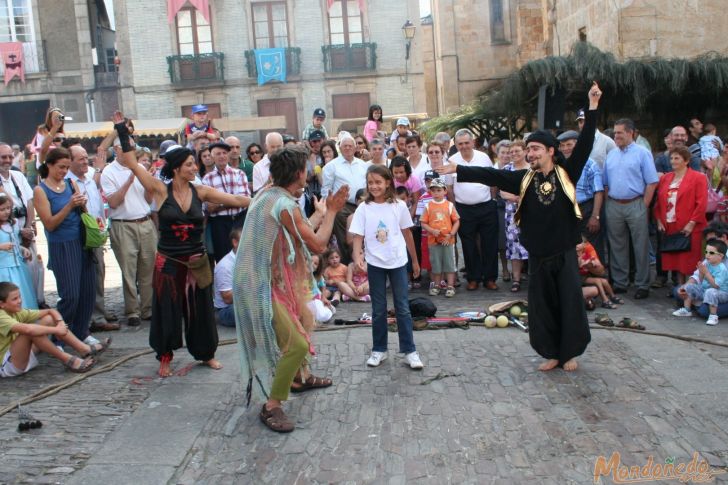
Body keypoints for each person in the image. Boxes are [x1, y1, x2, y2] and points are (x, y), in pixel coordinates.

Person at [437, 82, 603, 371]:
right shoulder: (524, 179)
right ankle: (552, 352)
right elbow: (491, 174)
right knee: (542, 308)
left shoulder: (567, 173)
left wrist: (592, 107)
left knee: (569, 304)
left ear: (551, 151)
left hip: (563, 253)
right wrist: (459, 169)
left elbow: (586, 141)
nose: (531, 154)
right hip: (538, 256)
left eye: (536, 149)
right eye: (529, 150)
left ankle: (570, 353)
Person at [112, 112, 251, 378]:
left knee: (201, 311)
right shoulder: (159, 189)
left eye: (194, 164)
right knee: (167, 311)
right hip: (169, 263)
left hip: (197, 262)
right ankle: (165, 355)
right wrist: (121, 129)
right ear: (176, 168)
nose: (195, 168)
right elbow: (131, 162)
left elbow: (236, 199)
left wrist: (261, 199)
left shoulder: (201, 192)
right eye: (190, 165)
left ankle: (206, 353)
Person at [234, 146, 348, 433]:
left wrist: (320, 215)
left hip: (274, 281)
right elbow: (318, 246)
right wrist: (332, 211)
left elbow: (301, 232)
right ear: (299, 174)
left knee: (305, 320)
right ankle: (271, 405)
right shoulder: (284, 204)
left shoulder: (267, 194)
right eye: (306, 169)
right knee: (296, 344)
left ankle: (301, 376)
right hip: (261, 286)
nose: (308, 174)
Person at [350, 164, 423, 370]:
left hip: (398, 261)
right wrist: (358, 257)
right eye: (370, 183)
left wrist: (415, 261)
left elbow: (408, 234)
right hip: (374, 263)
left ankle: (410, 350)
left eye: (378, 182)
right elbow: (358, 236)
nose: (374, 186)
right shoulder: (363, 208)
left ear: (388, 182)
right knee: (378, 309)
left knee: (402, 308)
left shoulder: (398, 206)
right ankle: (379, 349)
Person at [34, 148, 97, 343]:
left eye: (67, 167)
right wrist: (69, 205)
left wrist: (81, 204)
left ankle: (81, 332)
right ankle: (59, 337)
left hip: (81, 240)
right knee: (70, 294)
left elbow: (83, 212)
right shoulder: (41, 190)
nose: (64, 171)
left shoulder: (70, 183)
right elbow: (50, 224)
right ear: (49, 165)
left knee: (88, 291)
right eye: (61, 167)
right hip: (62, 244)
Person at [101, 140, 157, 327]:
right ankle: (133, 311)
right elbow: (114, 202)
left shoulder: (140, 167)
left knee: (148, 268)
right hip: (123, 224)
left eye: (134, 149)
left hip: (145, 222)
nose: (132, 152)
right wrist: (130, 180)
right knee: (128, 270)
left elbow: (148, 199)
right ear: (117, 150)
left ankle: (148, 309)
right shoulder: (109, 172)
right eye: (129, 148)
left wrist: (150, 184)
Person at [0, 282, 110, 376]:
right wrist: (57, 330)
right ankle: (67, 360)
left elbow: (50, 311)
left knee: (48, 319)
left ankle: (84, 349)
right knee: (31, 331)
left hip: (18, 353)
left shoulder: (16, 311)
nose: (19, 301)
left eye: (19, 297)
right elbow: (28, 330)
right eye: (15, 299)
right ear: (2, 304)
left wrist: (60, 323)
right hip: (6, 365)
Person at [603, 118, 659, 299]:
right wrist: (607, 204)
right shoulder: (611, 154)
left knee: (640, 245)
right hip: (613, 204)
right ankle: (620, 283)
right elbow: (605, 183)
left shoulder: (643, 153)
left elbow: (651, 182)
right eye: (615, 132)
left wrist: (644, 205)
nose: (615, 136)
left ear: (630, 133)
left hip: (636, 203)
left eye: (619, 132)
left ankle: (643, 284)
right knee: (617, 244)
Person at [67, 145, 119, 332]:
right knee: (84, 277)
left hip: (95, 234)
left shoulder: (88, 179)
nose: (84, 161)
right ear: (69, 160)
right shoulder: (67, 182)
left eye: (85, 157)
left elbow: (95, 185)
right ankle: (87, 318)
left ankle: (98, 313)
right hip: (79, 236)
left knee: (98, 274)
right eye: (80, 158)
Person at [450, 128, 499, 291]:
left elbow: (493, 180)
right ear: (456, 145)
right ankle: (473, 278)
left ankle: (490, 278)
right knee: (468, 245)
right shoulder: (452, 160)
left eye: (466, 142)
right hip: (464, 209)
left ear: (472, 142)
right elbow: (449, 188)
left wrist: (492, 200)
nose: (464, 146)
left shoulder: (483, 157)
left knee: (490, 244)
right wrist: (455, 209)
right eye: (460, 143)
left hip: (486, 206)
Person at [653, 146, 708, 284]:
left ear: (686, 160)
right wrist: (659, 219)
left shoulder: (698, 178)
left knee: (689, 261)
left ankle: (691, 291)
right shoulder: (665, 178)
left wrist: (692, 223)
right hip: (670, 225)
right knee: (676, 261)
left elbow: (701, 203)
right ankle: (680, 290)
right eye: (671, 158)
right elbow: (658, 202)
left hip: (690, 226)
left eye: (677, 158)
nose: (673, 161)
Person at [558, 130, 606, 264]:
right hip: (567, 211)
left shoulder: (590, 164)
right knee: (571, 247)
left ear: (577, 145)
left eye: (569, 144)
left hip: (586, 209)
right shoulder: (558, 166)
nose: (565, 148)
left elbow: (598, 191)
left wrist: (595, 216)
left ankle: (598, 278)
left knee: (592, 246)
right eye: (562, 145)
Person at [321, 134, 368, 264]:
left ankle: (364, 267)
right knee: (345, 239)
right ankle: (348, 266)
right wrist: (328, 208)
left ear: (354, 148)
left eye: (350, 146)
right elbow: (326, 189)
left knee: (364, 236)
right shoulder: (331, 166)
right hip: (342, 207)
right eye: (344, 146)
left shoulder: (363, 165)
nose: (347, 148)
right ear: (340, 149)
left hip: (362, 204)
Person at [202, 141, 250, 262]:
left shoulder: (240, 174)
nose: (222, 156)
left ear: (228, 155)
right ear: (212, 157)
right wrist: (234, 199)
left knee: (245, 256)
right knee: (223, 258)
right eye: (218, 153)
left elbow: (245, 201)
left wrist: (219, 202)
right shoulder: (207, 179)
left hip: (240, 220)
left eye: (224, 153)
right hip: (219, 224)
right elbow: (209, 207)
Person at [674, 239, 728, 326]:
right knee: (688, 287)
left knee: (711, 292)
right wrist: (701, 272)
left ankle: (713, 316)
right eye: (706, 252)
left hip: (721, 293)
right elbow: (701, 280)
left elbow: (716, 285)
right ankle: (687, 310)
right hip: (705, 289)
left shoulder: (722, 269)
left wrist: (706, 272)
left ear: (720, 256)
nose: (707, 255)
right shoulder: (707, 263)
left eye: (711, 253)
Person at [420, 178, 460, 297]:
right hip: (433, 241)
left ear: (445, 191)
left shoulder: (449, 205)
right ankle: (437, 285)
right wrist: (431, 230)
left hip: (448, 240)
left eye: (439, 190)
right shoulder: (428, 206)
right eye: (434, 191)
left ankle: (450, 286)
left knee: (449, 263)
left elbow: (457, 221)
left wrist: (451, 234)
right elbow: (423, 222)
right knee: (436, 264)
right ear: (430, 192)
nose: (436, 193)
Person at [502, 141, 530, 292]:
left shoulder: (532, 168)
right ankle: (516, 279)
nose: (514, 154)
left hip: (531, 214)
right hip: (512, 214)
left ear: (525, 151)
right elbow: (502, 192)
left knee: (533, 244)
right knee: (514, 246)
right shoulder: (507, 169)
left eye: (517, 151)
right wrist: (517, 198)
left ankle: (535, 277)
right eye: (511, 152)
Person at [0, 194, 35, 308]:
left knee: (23, 295)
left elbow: (14, 243)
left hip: (18, 267)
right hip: (3, 269)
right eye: (2, 209)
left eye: (8, 208)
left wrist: (22, 249)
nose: (6, 212)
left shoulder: (13, 224)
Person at [576, 238, 623, 309]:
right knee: (597, 281)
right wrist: (582, 262)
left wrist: (591, 263)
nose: (577, 245)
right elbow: (579, 265)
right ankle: (605, 300)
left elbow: (598, 266)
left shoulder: (587, 253)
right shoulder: (574, 254)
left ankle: (613, 296)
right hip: (579, 277)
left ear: (584, 245)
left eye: (579, 243)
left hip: (585, 276)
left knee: (604, 281)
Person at [213, 228, 240, 327]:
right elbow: (227, 299)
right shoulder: (225, 265)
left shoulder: (252, 260)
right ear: (235, 242)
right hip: (227, 309)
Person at [494, 140, 512, 281]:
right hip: (499, 207)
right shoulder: (493, 169)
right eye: (503, 153)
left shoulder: (516, 168)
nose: (506, 156)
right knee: (502, 241)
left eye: (508, 153)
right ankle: (505, 269)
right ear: (497, 154)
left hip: (516, 207)